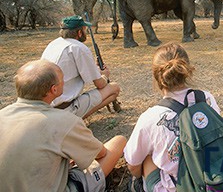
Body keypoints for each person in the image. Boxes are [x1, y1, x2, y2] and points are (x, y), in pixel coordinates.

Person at [0, 59, 127, 192]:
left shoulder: (2, 114)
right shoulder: (64, 121)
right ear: (54, 89)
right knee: (118, 142)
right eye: (62, 80)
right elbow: (100, 154)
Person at [124, 42, 221, 192]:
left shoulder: (150, 118)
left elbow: (132, 164)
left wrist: (139, 176)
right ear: (187, 70)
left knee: (147, 158)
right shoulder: (207, 99)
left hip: (178, 187)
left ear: (157, 77)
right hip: (213, 181)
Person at [41, 15, 121, 118]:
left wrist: (94, 68)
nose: (86, 32)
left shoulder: (53, 44)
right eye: (84, 30)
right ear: (79, 33)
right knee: (114, 88)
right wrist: (105, 75)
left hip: (46, 107)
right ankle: (75, 119)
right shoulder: (79, 48)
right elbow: (100, 84)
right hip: (64, 109)